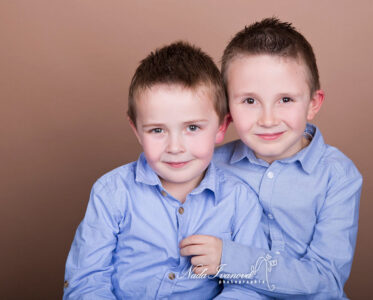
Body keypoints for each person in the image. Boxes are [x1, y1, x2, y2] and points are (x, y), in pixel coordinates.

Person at [63, 41, 268, 299]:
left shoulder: (239, 200)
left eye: (192, 128)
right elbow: (86, 282)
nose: (175, 147)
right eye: (157, 130)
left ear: (221, 127)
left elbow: (249, 286)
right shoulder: (111, 193)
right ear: (136, 129)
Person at [180, 18, 363, 299]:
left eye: (286, 100)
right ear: (227, 107)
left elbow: (325, 281)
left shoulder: (337, 175)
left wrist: (230, 258)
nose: (268, 119)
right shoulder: (209, 165)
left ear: (313, 104)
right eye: (250, 101)